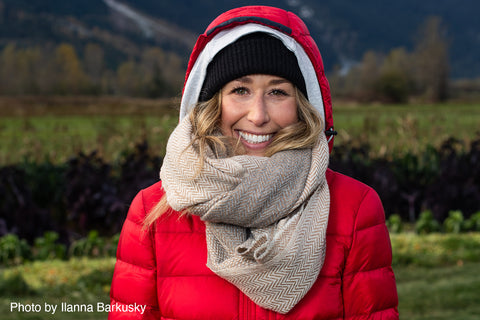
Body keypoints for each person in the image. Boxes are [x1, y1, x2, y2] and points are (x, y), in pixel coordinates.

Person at [108, 5, 399, 319]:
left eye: (277, 92)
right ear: (210, 104)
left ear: (303, 105)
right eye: (240, 90)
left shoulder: (355, 209)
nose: (258, 115)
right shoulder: (153, 212)